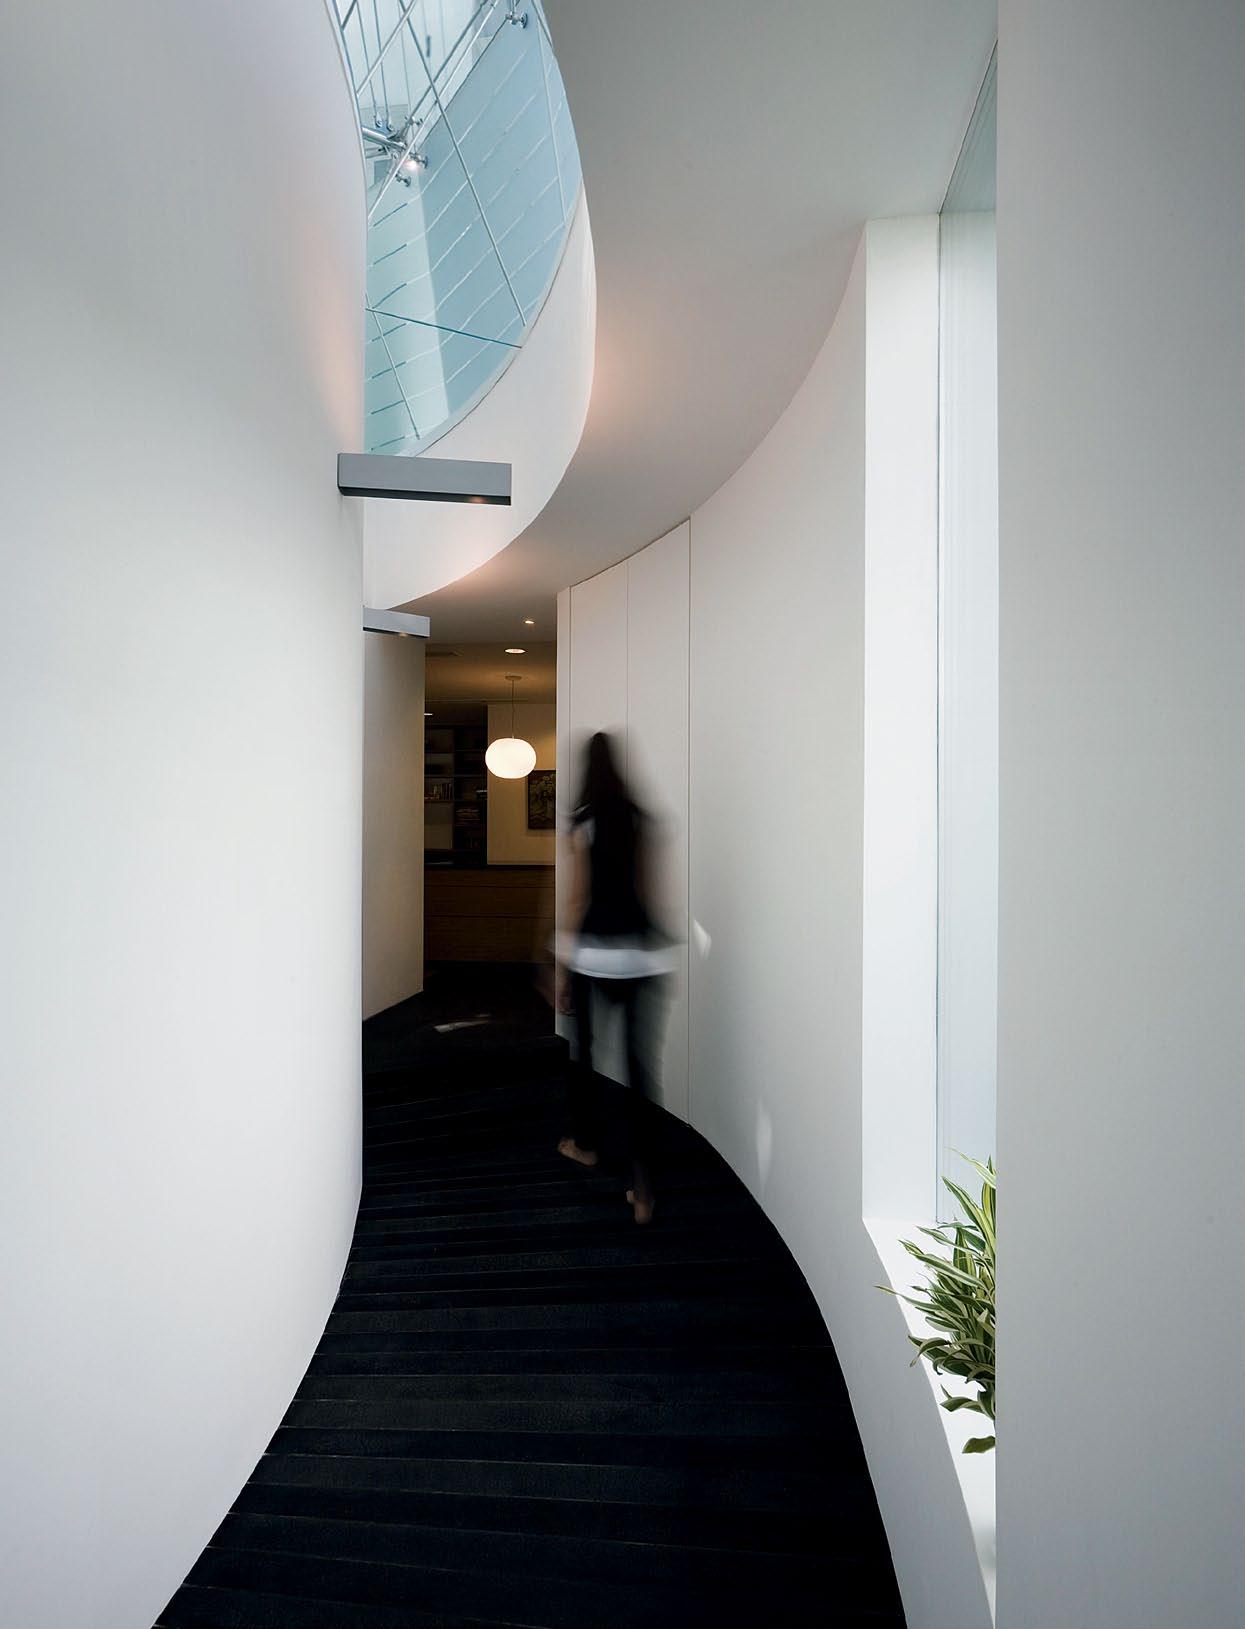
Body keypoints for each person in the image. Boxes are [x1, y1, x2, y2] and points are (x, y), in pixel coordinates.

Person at [555, 732, 671, 1224]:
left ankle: (586, 1144)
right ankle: (642, 1186)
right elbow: (650, 888)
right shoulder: (642, 818)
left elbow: (577, 896)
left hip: (593, 955)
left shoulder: (583, 820)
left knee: (583, 1053)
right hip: (640, 954)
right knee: (640, 1068)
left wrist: (561, 967)